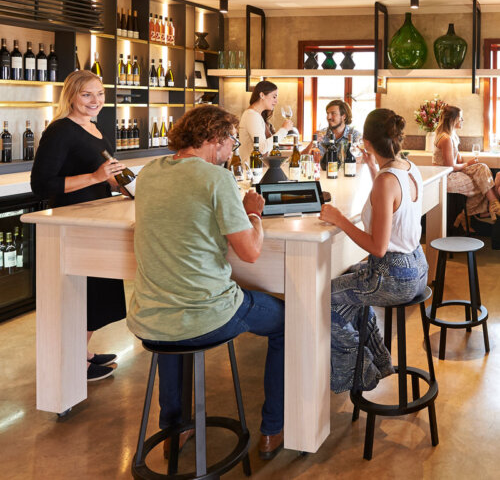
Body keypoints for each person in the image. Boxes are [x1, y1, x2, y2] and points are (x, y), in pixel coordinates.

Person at [127, 105, 286, 461]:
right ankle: (273, 429)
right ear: (214, 140)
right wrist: (254, 212)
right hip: (208, 312)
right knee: (288, 323)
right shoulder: (217, 179)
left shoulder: (149, 173)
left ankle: (175, 427)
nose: (232, 148)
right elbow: (250, 253)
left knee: (173, 321)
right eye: (231, 140)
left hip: (149, 315)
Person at [319, 108, 428, 393]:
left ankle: (362, 367)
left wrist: (339, 220)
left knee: (321, 298)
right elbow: (392, 196)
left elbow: (377, 248)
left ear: (365, 142)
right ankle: (379, 357)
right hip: (417, 267)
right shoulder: (407, 168)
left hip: (392, 276)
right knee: (349, 283)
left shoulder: (384, 181)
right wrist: (371, 166)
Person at [31, 70, 127, 382]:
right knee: (84, 294)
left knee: (98, 292)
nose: (95, 101)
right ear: (71, 96)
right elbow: (43, 185)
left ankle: (81, 352)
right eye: (87, 94)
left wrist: (121, 184)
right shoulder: (60, 131)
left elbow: (103, 173)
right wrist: (98, 177)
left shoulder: (95, 128)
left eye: (99, 94)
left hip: (97, 219)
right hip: (74, 222)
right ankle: (73, 362)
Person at [432, 105, 500, 222]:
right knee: (481, 179)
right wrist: (468, 164)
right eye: (461, 118)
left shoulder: (452, 136)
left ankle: (470, 214)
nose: (462, 120)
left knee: (481, 175)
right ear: (453, 119)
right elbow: (450, 167)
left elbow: (456, 160)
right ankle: (489, 207)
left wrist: (463, 160)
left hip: (450, 174)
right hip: (445, 178)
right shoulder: (446, 138)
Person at [238, 80, 293, 163]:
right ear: (262, 95)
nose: (276, 101)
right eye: (274, 97)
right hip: (250, 171)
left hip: (255, 168)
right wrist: (284, 130)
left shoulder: (256, 115)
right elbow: (262, 148)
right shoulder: (251, 115)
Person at [302, 99, 361, 168]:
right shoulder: (321, 134)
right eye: (327, 113)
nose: (328, 117)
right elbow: (301, 159)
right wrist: (312, 143)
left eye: (333, 113)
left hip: (347, 176)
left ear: (344, 116)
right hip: (324, 176)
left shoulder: (355, 135)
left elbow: (359, 161)